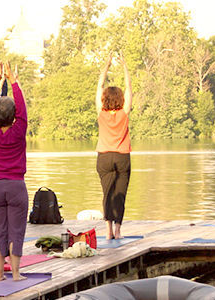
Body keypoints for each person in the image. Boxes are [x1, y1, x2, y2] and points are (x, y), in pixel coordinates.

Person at [0, 62, 28, 282]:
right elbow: (22, 110)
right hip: (16, 186)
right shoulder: (19, 130)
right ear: (13, 117)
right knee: (16, 231)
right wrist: (13, 81)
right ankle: (17, 273)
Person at [95, 52, 132, 240]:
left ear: (104, 99)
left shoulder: (100, 112)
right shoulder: (124, 112)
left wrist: (106, 66)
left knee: (107, 193)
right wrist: (124, 67)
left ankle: (108, 229)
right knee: (120, 194)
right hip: (121, 156)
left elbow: (99, 86)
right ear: (121, 100)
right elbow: (128, 88)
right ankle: (118, 230)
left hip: (104, 157)